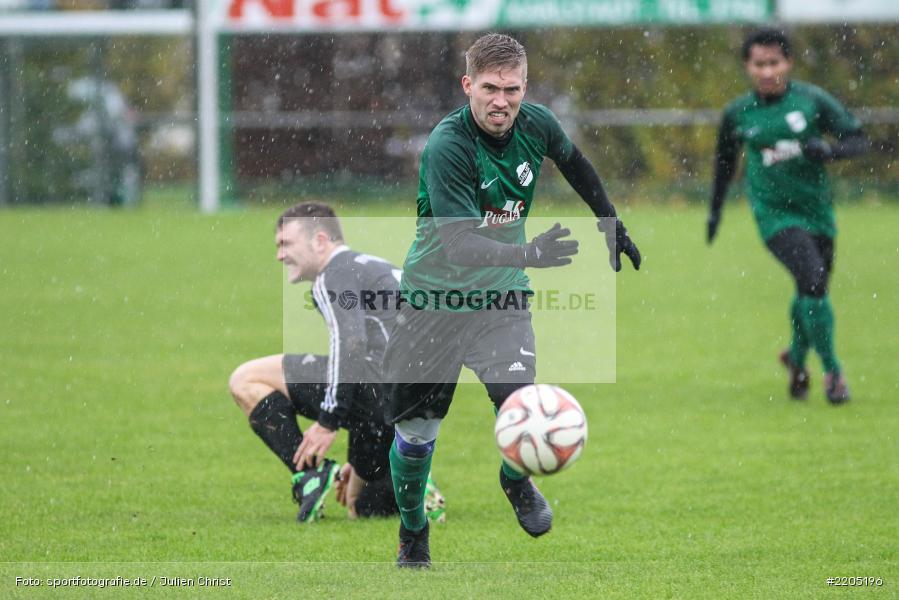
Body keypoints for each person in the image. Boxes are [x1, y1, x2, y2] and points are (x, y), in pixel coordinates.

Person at [382, 33, 641, 568]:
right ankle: (413, 533)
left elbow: (575, 163)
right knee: (417, 436)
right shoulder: (448, 146)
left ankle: (515, 481)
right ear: (468, 86)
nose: (501, 101)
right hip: (433, 302)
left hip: (500, 299)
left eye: (513, 90)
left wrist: (607, 219)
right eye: (490, 89)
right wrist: (531, 255)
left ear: (526, 87)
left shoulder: (537, 123)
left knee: (520, 403)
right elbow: (457, 244)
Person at [228, 202, 445, 522]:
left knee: (245, 379)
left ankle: (309, 474)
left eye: (285, 244)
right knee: (360, 504)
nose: (280, 256)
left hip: (380, 390)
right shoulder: (372, 266)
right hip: (416, 403)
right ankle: (411, 484)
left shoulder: (335, 272)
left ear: (320, 240)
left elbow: (350, 344)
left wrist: (329, 421)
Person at [707, 28, 867, 404]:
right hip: (773, 216)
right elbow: (724, 163)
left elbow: (858, 140)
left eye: (774, 62)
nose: (766, 71)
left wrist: (828, 150)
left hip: (818, 213)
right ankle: (833, 372)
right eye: (759, 64)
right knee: (812, 280)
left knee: (810, 290)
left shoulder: (812, 101)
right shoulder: (737, 113)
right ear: (748, 66)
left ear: (788, 62)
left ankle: (796, 358)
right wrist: (714, 211)